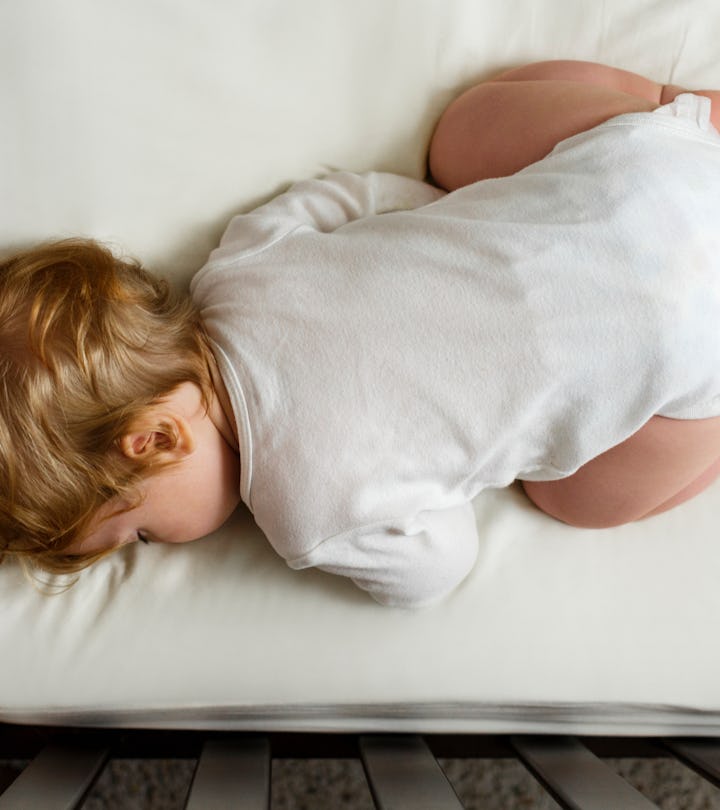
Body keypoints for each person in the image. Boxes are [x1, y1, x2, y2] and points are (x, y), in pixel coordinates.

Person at [2, 60, 720, 607]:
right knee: (462, 134)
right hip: (639, 177)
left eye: (140, 533)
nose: (154, 548)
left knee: (570, 499)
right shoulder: (237, 266)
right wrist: (444, 216)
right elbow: (352, 195)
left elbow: (441, 567)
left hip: (688, 342)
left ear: (157, 441)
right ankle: (682, 123)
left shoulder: (310, 519)